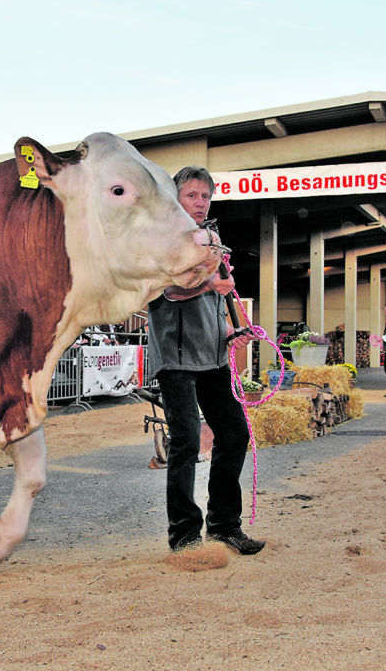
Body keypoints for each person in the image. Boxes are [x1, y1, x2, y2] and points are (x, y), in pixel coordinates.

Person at [145, 166, 264, 556]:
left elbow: (217, 301)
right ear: (175, 197)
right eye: (192, 195)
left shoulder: (212, 239)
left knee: (235, 434)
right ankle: (183, 536)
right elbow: (167, 293)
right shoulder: (159, 239)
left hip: (213, 356)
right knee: (186, 442)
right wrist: (209, 283)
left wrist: (231, 331)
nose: (200, 202)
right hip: (176, 357)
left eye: (206, 196)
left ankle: (223, 527)